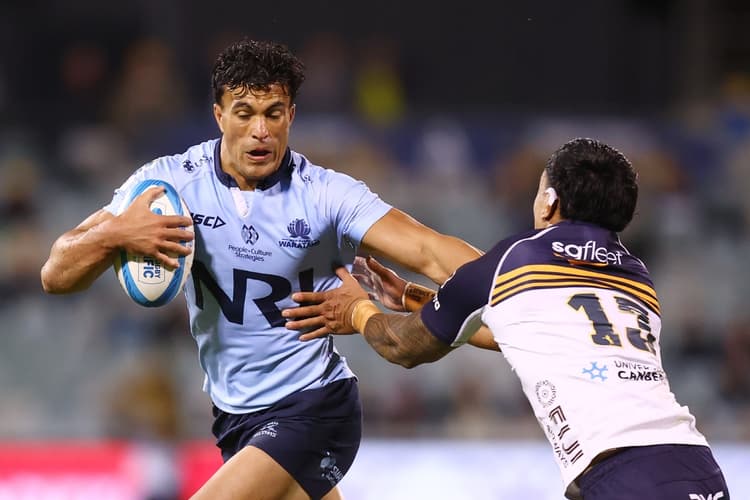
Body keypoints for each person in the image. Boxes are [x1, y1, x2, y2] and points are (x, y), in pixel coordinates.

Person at [40, 39, 483, 500]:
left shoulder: (325, 196)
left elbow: (430, 251)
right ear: (218, 116)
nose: (260, 131)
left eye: (273, 114)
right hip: (236, 417)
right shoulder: (170, 184)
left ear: (291, 116)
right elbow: (55, 274)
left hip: (312, 406)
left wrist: (513, 273)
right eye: (244, 113)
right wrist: (114, 234)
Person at [285, 138, 731, 500]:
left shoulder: (515, 259)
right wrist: (411, 296)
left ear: (550, 201)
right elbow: (521, 333)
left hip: (624, 476)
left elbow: (402, 348)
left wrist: (357, 310)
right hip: (697, 465)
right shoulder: (637, 277)